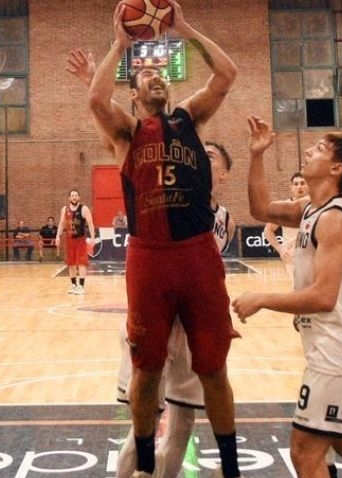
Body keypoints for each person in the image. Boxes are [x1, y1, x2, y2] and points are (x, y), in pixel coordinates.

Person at [86, 0, 241, 478]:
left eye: (160, 73)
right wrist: (119, 45)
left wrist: (186, 30)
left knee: (213, 366)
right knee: (147, 367)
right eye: (145, 74)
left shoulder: (189, 117)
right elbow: (96, 99)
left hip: (196, 253)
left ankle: (231, 466)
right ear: (134, 94)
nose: (155, 76)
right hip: (149, 256)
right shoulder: (127, 132)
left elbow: (227, 74)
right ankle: (145, 464)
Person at [232, 117, 342, 478]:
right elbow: (260, 208)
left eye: (320, 148)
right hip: (336, 345)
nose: (309, 150)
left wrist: (262, 298)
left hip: (338, 350)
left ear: (336, 168)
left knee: (304, 451)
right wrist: (257, 155)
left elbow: (324, 297)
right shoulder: (309, 208)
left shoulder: (334, 219)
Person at [115, 141, 235, 478]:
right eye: (197, 154)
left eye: (209, 156)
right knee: (144, 425)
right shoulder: (167, 201)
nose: (199, 158)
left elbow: (211, 274)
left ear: (224, 174)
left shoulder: (226, 220)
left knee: (184, 422)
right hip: (155, 321)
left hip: (193, 328)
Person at [263, 172, 308, 283]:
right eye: (296, 184)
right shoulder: (285, 207)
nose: (299, 187)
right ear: (291, 187)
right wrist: (280, 249)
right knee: (298, 289)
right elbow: (268, 230)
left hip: (312, 254)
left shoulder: (316, 205)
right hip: (292, 256)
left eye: (302, 183)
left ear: (308, 185)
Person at [56, 189, 96, 295]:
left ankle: (81, 286)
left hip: (80, 240)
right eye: (72, 195)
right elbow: (61, 223)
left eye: (76, 195)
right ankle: (74, 285)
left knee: (82, 263)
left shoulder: (84, 208)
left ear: (79, 197)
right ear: (69, 198)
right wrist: (57, 236)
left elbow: (90, 223)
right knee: (71, 263)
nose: (74, 197)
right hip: (69, 240)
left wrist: (93, 237)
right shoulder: (65, 209)